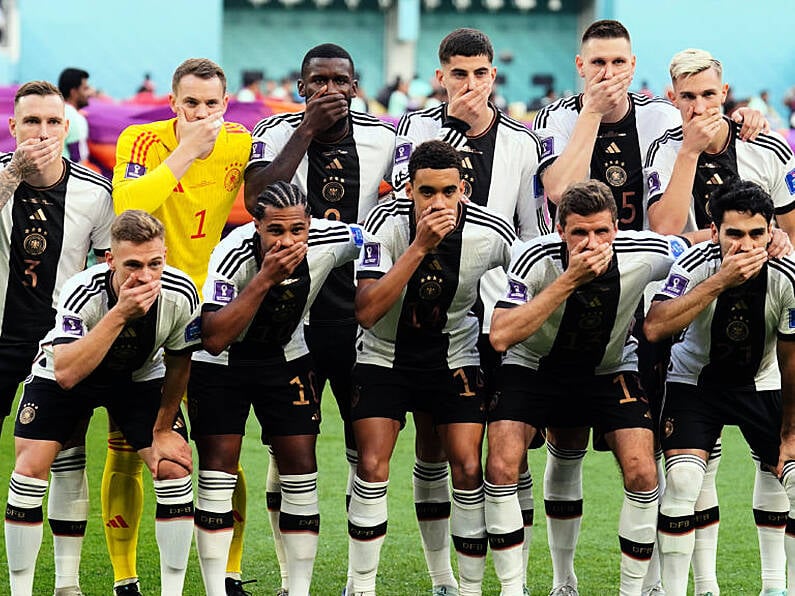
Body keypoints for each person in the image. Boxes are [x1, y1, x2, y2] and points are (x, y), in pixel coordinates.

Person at [531, 21, 766, 595]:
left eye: (618, 63)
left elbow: (705, 139)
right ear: (580, 66)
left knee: (672, 440)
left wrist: (744, 121)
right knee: (566, 438)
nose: (608, 74)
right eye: (597, 63)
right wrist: (590, 114)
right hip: (580, 280)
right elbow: (560, 191)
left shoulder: (662, 118)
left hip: (656, 281)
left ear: (634, 66)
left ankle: (670, 578)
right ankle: (564, 579)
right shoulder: (553, 117)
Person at [392, 28, 548, 593]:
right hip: (437, 309)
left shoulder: (523, 143)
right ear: (440, 77)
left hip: (499, 313)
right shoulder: (413, 130)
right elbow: (401, 208)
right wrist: (453, 127)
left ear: (494, 76)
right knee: (438, 441)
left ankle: (515, 578)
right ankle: (444, 580)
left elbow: (535, 232)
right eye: (459, 73)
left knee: (511, 447)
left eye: (481, 73)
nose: (471, 84)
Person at [488, 179, 690, 595]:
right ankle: (530, 587)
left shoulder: (645, 252)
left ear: (617, 228)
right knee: (502, 464)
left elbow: (700, 250)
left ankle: (634, 590)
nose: (591, 241)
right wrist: (569, 280)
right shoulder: (533, 258)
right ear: (560, 229)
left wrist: (775, 237)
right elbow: (502, 335)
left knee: (642, 470)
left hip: (610, 367)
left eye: (602, 231)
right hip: (534, 365)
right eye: (579, 232)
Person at [244, 42, 395, 594]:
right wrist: (304, 132)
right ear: (301, 85)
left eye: (340, 81)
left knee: (364, 452)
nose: (329, 90)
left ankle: (361, 582)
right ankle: (290, 579)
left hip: (360, 320)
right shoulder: (273, 131)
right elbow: (258, 199)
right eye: (318, 81)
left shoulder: (385, 136)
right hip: (291, 321)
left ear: (355, 87)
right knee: (290, 450)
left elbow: (402, 206)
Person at [643, 49, 795, 594]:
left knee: (781, 466)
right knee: (689, 471)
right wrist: (687, 153)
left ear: (724, 92)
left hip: (765, 323)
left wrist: (774, 239)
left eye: (709, 94)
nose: (701, 105)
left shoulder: (766, 146)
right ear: (672, 99)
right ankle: (700, 585)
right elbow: (663, 229)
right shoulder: (665, 148)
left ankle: (776, 585)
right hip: (690, 314)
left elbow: (792, 232)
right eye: (688, 97)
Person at [348, 140, 515, 596]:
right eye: (426, 192)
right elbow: (366, 311)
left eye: (447, 191)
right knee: (372, 464)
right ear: (409, 189)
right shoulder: (382, 223)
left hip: (454, 356)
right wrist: (420, 246)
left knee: (464, 465)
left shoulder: (492, 232)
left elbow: (529, 281)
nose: (437, 202)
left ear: (463, 189)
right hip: (384, 354)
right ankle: (360, 585)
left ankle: (461, 586)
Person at [111, 58, 252, 596]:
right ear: (173, 103)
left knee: (220, 448)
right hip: (144, 302)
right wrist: (186, 150)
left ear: (226, 104)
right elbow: (128, 207)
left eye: (210, 104)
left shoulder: (240, 142)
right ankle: (126, 577)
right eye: (189, 103)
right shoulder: (142, 139)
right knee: (127, 445)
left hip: (208, 309)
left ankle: (229, 572)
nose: (200, 113)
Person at [4, 210, 199, 596]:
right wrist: (120, 313)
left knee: (174, 468)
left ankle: (172, 592)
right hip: (67, 372)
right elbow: (66, 373)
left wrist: (162, 429)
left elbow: (180, 362)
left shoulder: (181, 292)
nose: (144, 276)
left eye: (154, 263)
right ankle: (38, 589)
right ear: (109, 259)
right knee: (29, 471)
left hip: (138, 378)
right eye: (132, 265)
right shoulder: (83, 291)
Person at [189, 180, 365, 596]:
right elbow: (213, 336)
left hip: (286, 356)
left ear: (309, 224)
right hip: (223, 363)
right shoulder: (231, 254)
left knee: (302, 467)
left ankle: (298, 590)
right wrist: (266, 278)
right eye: (275, 231)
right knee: (218, 471)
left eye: (296, 230)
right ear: (256, 226)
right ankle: (216, 590)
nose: (287, 240)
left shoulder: (332, 238)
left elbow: (377, 240)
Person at [0, 80, 114, 596]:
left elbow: (111, 265)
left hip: (58, 341)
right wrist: (13, 176)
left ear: (67, 128)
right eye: (31, 122)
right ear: (13, 127)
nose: (41, 132)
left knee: (66, 451)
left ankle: (66, 582)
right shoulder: (1, 178)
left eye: (52, 122)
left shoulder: (95, 191)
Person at [57, 68, 91, 163]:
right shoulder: (76, 118)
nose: (89, 93)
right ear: (74, 92)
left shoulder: (55, 110)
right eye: (85, 89)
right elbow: (78, 158)